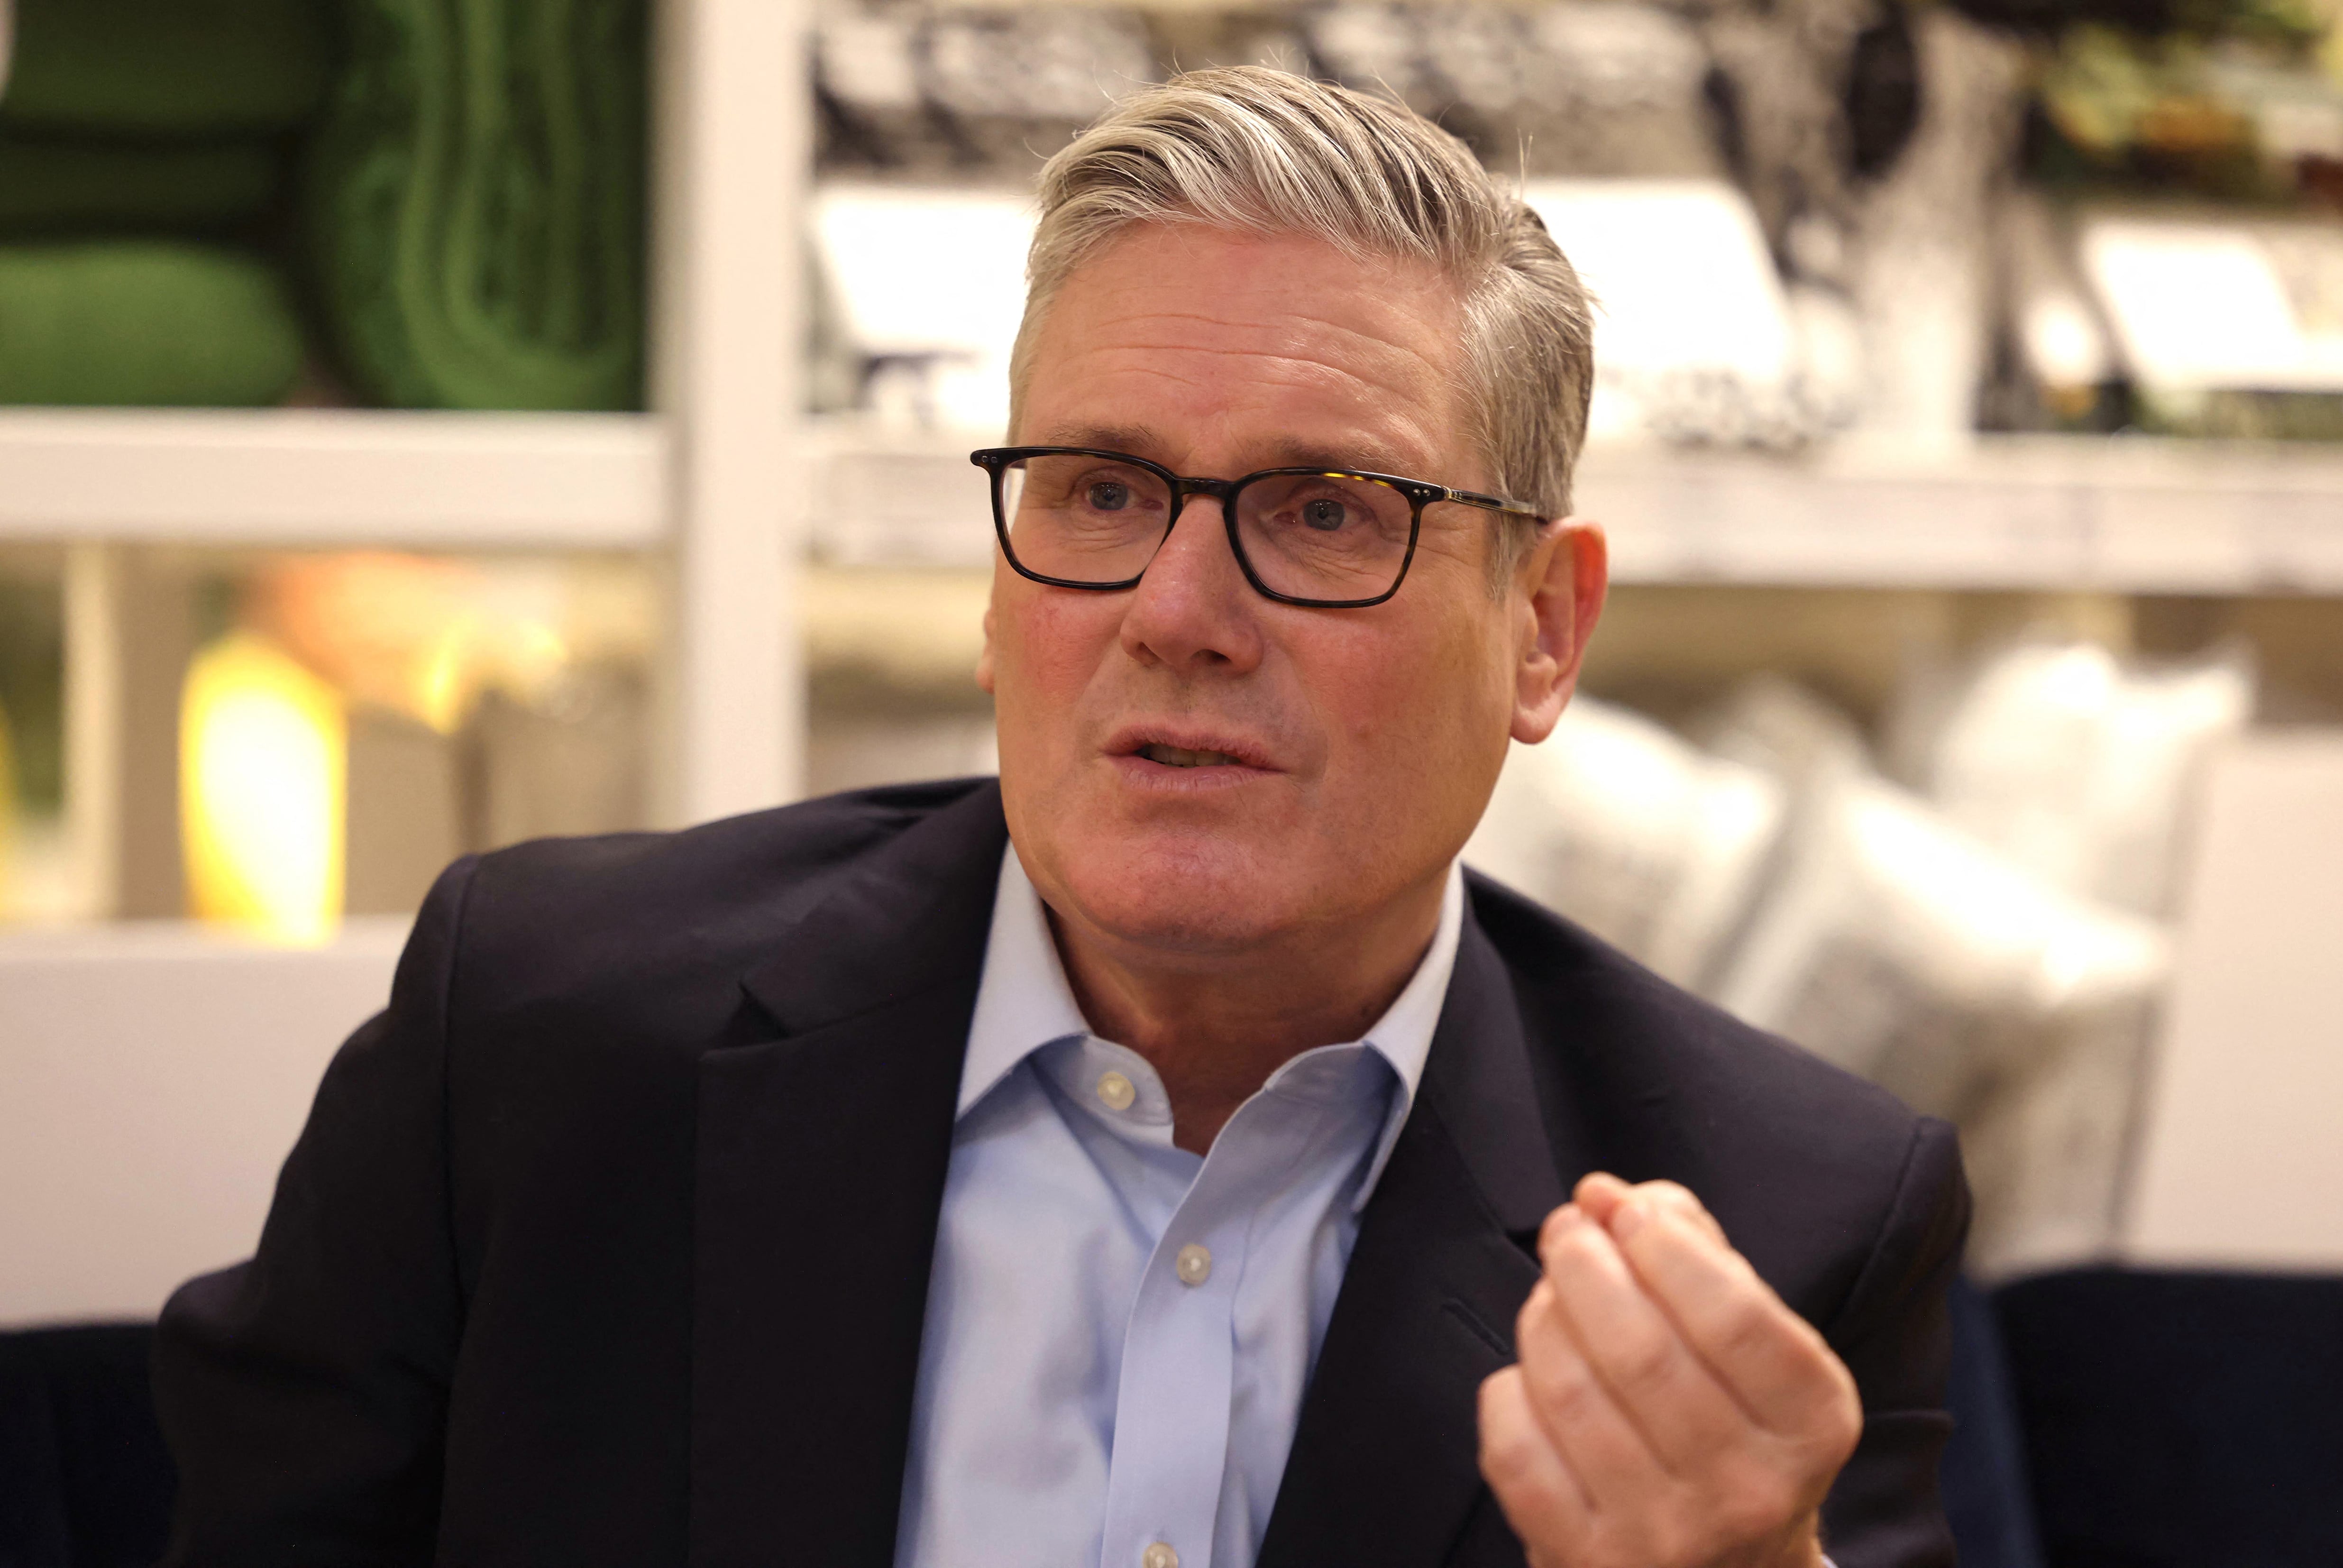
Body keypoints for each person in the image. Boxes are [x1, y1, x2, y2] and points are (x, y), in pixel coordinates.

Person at [153, 68, 1967, 1568]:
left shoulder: (1778, 1228)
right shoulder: (540, 1045)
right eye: (1099, 491)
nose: (1175, 609)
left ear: (1543, 630)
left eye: (1327, 511)